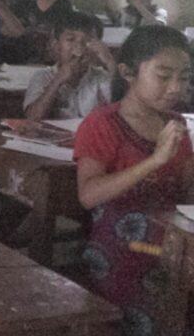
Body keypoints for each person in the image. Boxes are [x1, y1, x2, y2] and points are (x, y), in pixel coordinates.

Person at [74, 25, 193, 335]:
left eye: (184, 77)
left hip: (173, 239)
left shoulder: (176, 123)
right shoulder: (103, 122)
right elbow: (88, 195)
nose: (175, 88)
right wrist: (155, 160)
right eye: (163, 76)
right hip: (125, 244)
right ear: (128, 72)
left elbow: (185, 193)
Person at [24, 11, 114, 121]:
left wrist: (110, 62)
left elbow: (126, 107)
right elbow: (32, 117)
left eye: (87, 41)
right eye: (70, 40)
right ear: (56, 45)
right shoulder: (43, 76)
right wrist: (57, 81)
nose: (79, 47)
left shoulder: (101, 78)